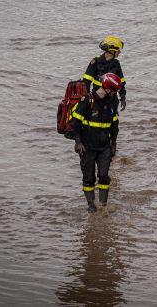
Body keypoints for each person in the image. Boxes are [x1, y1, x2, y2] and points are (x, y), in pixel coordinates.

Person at [68, 73, 121, 213]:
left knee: (104, 175)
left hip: (104, 147)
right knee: (88, 178)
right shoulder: (87, 100)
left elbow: (114, 124)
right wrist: (78, 141)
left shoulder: (111, 102)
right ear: (108, 88)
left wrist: (113, 143)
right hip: (87, 147)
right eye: (114, 91)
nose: (115, 94)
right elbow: (75, 123)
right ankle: (92, 206)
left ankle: (103, 206)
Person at [83, 36, 126, 156]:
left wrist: (122, 97)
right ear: (111, 50)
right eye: (118, 50)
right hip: (97, 99)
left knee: (113, 121)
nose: (120, 52)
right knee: (94, 121)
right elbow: (86, 82)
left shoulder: (116, 64)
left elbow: (121, 82)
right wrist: (86, 99)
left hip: (112, 99)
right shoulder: (95, 62)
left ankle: (113, 143)